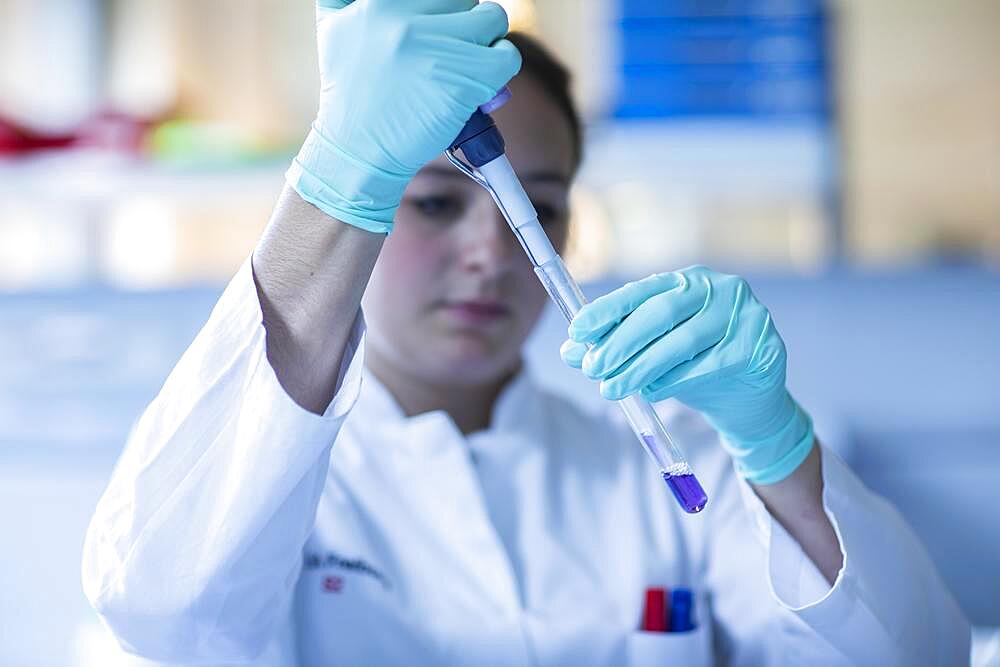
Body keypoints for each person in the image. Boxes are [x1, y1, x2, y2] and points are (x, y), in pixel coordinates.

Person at [82, 1, 969, 665]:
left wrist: (779, 447)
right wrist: (336, 170)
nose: (491, 252)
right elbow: (161, 610)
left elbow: (915, 653)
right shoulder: (270, 484)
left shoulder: (669, 462)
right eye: (431, 200)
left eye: (537, 209)